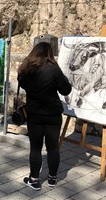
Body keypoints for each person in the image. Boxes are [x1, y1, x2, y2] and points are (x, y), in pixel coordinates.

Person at [17, 42, 72, 190]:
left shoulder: (26, 70)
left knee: (35, 148)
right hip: (53, 114)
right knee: (53, 147)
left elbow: (21, 83)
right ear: (49, 53)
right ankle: (52, 179)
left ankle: (34, 180)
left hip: (34, 114)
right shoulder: (54, 70)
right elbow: (66, 90)